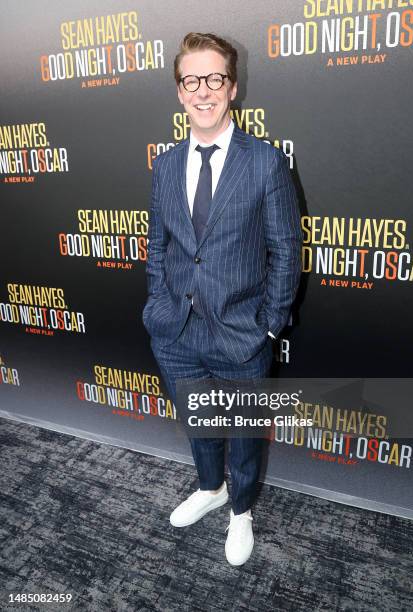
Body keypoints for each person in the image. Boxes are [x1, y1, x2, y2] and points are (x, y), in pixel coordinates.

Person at [143, 32, 302, 566]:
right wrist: (158, 307)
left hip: (242, 333)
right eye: (192, 80)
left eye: (215, 79)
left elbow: (285, 250)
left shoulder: (266, 163)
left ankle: (240, 509)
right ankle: (210, 488)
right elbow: (158, 247)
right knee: (199, 424)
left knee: (245, 434)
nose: (203, 91)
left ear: (233, 88)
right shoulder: (164, 166)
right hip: (176, 331)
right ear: (180, 92)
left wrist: (270, 326)